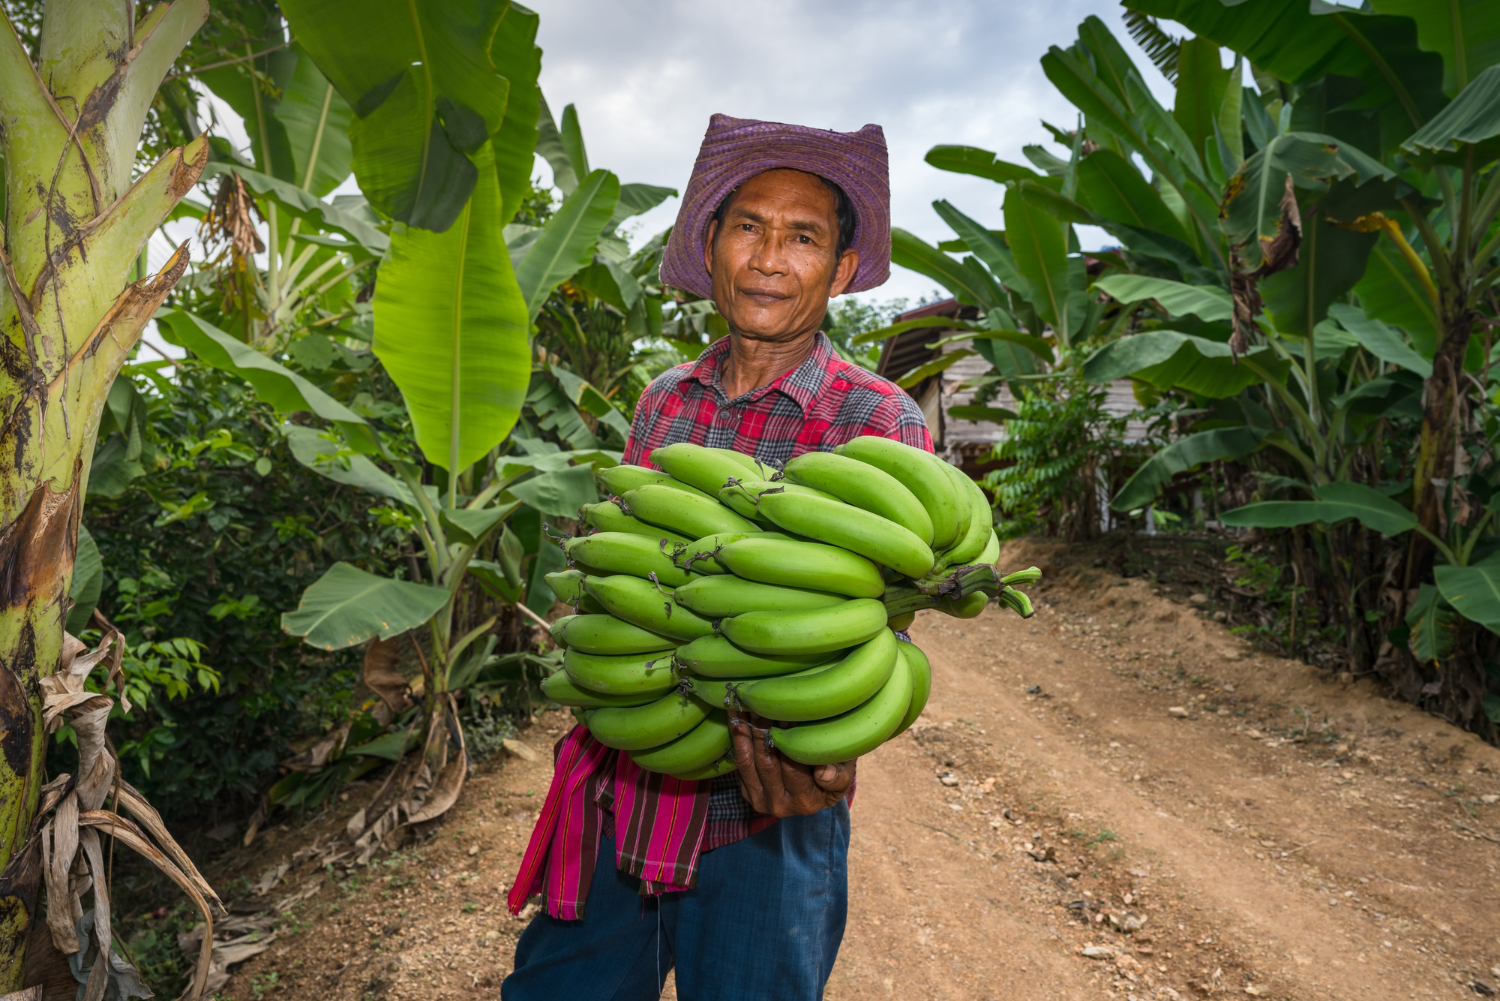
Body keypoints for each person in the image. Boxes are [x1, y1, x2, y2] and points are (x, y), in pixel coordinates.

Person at [503, 114, 933, 1001]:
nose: (771, 257)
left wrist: (828, 752)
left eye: (804, 236)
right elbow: (619, 574)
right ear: (713, 246)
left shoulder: (877, 420)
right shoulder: (666, 400)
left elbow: (871, 634)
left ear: (841, 270)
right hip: (627, 776)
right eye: (749, 226)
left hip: (769, 813)